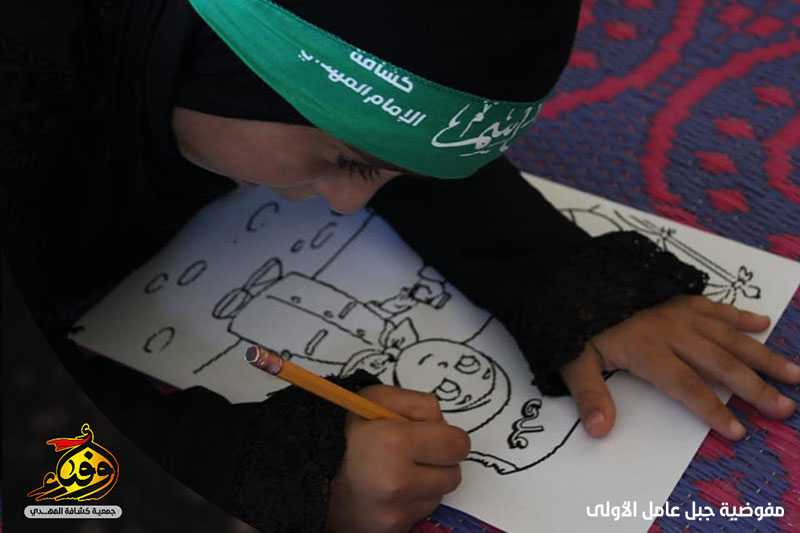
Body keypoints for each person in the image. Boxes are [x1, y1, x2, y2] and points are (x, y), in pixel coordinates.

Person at [6, 1, 798, 532]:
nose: (350, 204)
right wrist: (257, 470)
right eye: (344, 161)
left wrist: (564, 279)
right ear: (222, 64)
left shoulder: (207, 62)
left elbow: (397, 109)